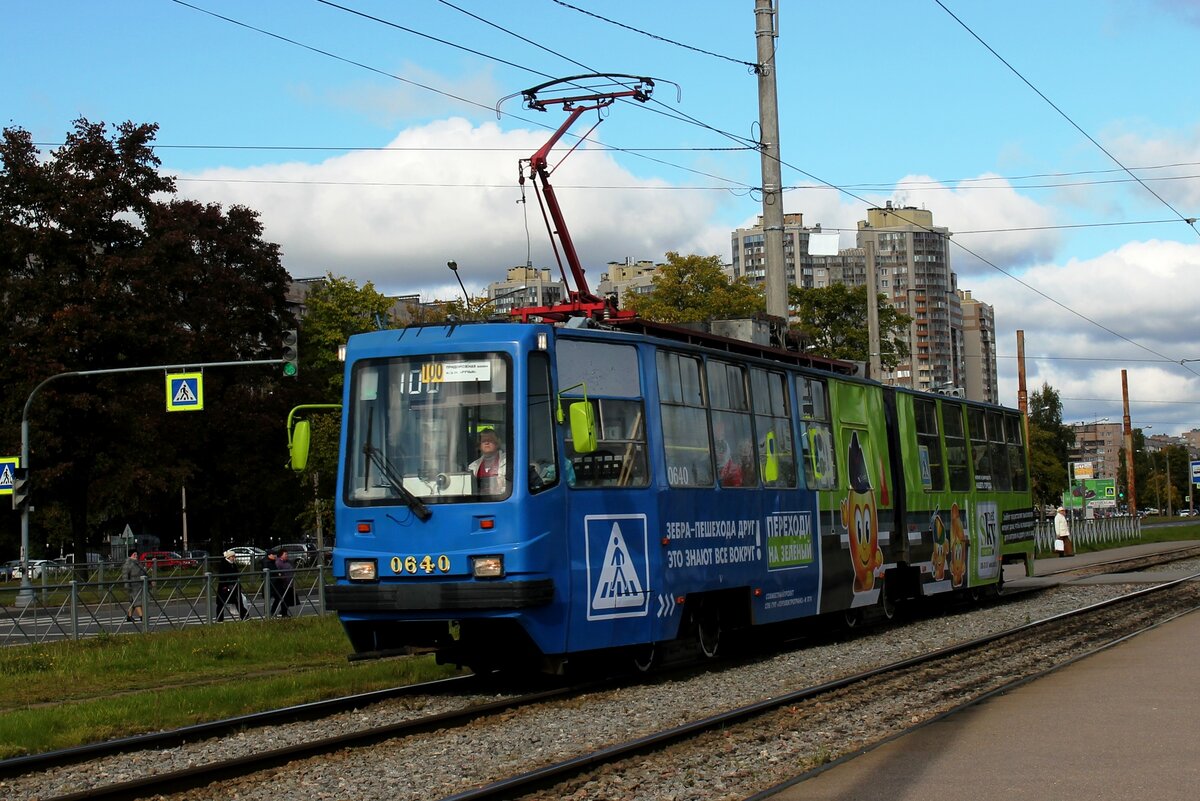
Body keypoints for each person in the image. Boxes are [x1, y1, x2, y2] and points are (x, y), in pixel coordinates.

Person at [468, 430, 507, 494]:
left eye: (490, 440)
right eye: (483, 441)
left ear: (497, 443)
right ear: (479, 446)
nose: (487, 443)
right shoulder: (472, 466)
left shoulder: (508, 462)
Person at [215, 549, 248, 621]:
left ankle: (245, 616)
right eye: (232, 556)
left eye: (234, 556)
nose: (234, 558)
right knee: (221, 603)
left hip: (234, 586)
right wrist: (225, 585)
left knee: (238, 601)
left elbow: (236, 574)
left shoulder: (233, 564)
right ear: (228, 557)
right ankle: (219, 619)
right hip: (225, 587)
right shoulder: (224, 564)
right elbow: (222, 576)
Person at [120, 550, 150, 622]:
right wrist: (127, 585)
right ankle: (142, 616)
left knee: (134, 601)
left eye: (136, 554)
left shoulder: (137, 563)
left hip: (140, 584)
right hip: (133, 585)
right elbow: (125, 575)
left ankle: (129, 616)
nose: (136, 555)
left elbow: (144, 572)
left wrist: (149, 581)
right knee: (137, 601)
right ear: (131, 555)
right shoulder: (128, 563)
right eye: (134, 554)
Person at [269, 549, 296, 618]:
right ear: (281, 555)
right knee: (280, 599)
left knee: (287, 599)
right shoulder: (278, 563)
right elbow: (278, 573)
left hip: (288, 583)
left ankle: (283, 612)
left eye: (287, 554)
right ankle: (275, 612)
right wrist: (282, 577)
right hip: (282, 584)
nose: (287, 555)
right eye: (285, 554)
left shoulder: (287, 562)